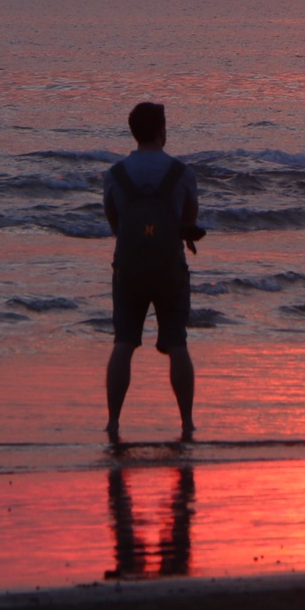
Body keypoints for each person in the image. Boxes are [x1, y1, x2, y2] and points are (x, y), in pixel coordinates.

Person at [101, 101, 203, 442]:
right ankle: (186, 423)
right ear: (162, 129)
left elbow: (115, 224)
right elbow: (189, 220)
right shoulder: (182, 173)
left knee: (123, 343)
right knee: (177, 344)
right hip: (169, 268)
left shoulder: (114, 175)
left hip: (128, 269)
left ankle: (113, 422)